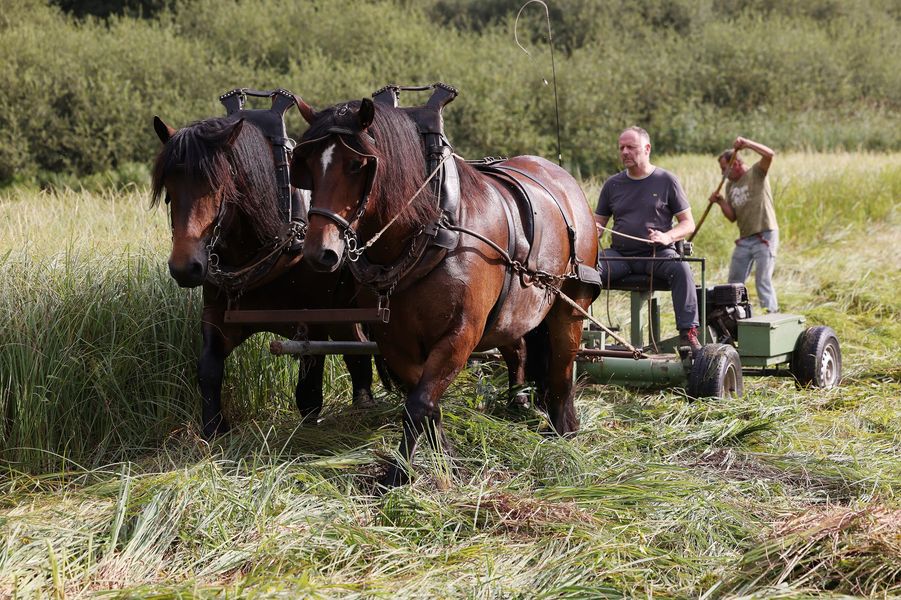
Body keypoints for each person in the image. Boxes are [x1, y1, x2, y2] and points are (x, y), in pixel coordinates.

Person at [594, 126, 700, 353]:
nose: (624, 152)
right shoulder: (612, 184)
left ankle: (688, 334)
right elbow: (598, 224)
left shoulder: (666, 180)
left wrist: (667, 236)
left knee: (682, 270)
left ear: (647, 148)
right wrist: (592, 230)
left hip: (657, 255)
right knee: (586, 270)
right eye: (621, 147)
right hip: (621, 256)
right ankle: (585, 329)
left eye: (630, 147)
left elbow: (688, 223)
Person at [709, 136, 779, 313]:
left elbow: (770, 154)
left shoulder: (756, 172)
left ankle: (771, 317)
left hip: (765, 235)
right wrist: (720, 202)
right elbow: (733, 217)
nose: (723, 174)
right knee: (734, 282)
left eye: (725, 169)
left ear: (736, 164)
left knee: (762, 280)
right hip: (745, 240)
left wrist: (747, 144)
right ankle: (734, 317)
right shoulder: (730, 186)